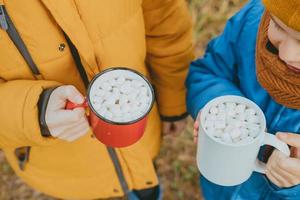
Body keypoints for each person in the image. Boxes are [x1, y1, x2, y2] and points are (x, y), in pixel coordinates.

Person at [0, 0, 194, 199]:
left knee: (143, 182)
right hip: (62, 164)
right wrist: (33, 111)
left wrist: (174, 98)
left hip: (140, 140)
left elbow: (164, 17)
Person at [186, 0, 300, 199]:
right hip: (218, 183)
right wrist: (221, 109)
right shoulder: (253, 21)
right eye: (278, 26)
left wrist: (294, 185)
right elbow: (209, 72)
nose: (286, 54)